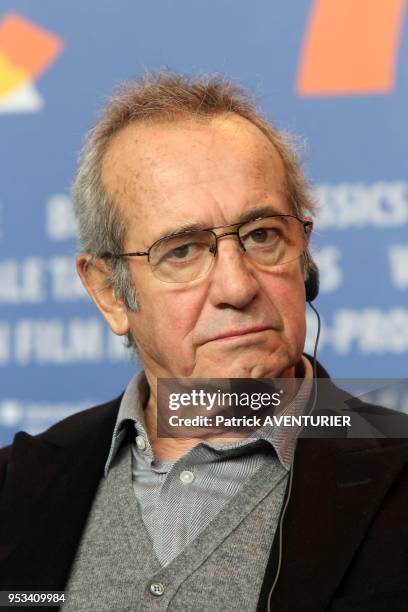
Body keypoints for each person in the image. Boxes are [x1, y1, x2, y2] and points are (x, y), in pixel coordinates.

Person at [0, 72, 407, 612]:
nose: (238, 287)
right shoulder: (15, 487)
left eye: (263, 235)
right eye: (183, 251)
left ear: (304, 255)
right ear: (110, 293)